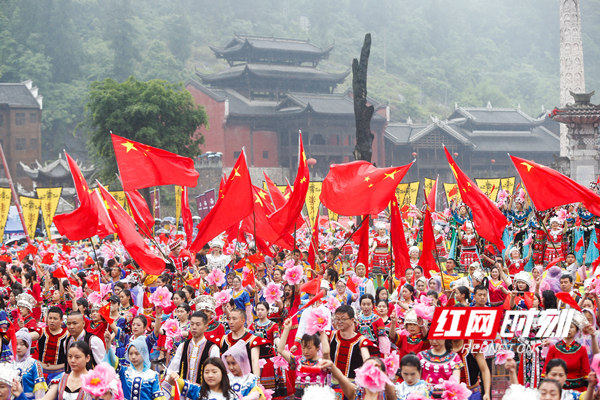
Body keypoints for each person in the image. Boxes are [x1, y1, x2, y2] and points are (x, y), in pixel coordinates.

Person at [277, 318, 330, 400]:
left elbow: (326, 352)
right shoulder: (298, 361)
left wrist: (322, 333)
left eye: (309, 348)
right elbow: (280, 350)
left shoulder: (323, 363)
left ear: (317, 347)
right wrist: (287, 329)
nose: (305, 351)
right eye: (303, 348)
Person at [104, 332, 166, 400]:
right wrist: (108, 344)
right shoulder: (125, 372)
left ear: (144, 354)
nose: (133, 357)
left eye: (137, 354)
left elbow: (158, 398)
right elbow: (113, 362)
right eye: (130, 354)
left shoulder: (153, 376)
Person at [167, 311, 220, 384]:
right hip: (184, 391)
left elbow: (215, 374)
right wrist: (173, 375)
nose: (194, 327)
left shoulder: (212, 348)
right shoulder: (183, 346)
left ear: (205, 327)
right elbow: (172, 370)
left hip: (203, 392)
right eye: (192, 324)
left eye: (198, 324)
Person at [317, 358, 396, 400]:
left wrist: (379, 373)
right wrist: (331, 365)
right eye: (367, 368)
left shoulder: (386, 393)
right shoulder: (355, 392)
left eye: (376, 368)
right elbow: (341, 377)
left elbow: (391, 392)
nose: (371, 372)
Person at [328, 305, 372, 380]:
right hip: (332, 383)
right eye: (337, 319)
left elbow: (367, 362)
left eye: (343, 319)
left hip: (352, 385)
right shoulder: (330, 335)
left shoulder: (361, 341)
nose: (339, 322)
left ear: (352, 320)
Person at [165, 358, 239, 400]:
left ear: (222, 373)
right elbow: (176, 382)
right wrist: (173, 376)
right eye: (206, 372)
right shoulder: (197, 391)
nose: (210, 375)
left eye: (214, 372)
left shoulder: (232, 396)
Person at [13, 328, 47, 399]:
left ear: (28, 345)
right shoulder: (10, 363)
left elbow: (39, 390)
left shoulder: (35, 364)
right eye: (16, 344)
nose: (19, 347)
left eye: (22, 344)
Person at [38, 306, 69, 383]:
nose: (52, 321)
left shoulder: (67, 335)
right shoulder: (41, 331)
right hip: (40, 372)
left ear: (61, 320)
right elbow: (32, 336)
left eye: (55, 319)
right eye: (50, 318)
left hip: (59, 372)